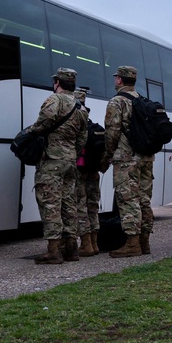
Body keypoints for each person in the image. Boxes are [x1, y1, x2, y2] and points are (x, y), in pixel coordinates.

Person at [25, 68, 88, 264]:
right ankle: (71, 248)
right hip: (69, 161)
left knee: (49, 202)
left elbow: (44, 122)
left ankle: (53, 250)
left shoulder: (54, 100)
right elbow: (82, 138)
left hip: (52, 160)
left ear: (57, 83)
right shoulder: (80, 108)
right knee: (68, 203)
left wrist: (31, 132)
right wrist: (72, 153)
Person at [101, 66, 156, 257]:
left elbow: (112, 132)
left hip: (126, 158)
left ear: (119, 80)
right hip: (146, 157)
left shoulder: (117, 102)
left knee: (128, 200)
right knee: (144, 200)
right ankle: (144, 242)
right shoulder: (143, 100)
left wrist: (108, 155)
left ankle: (132, 243)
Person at [73, 87, 103, 257]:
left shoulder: (76, 123)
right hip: (94, 170)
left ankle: (85, 244)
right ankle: (94, 243)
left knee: (80, 205)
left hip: (80, 169)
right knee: (93, 206)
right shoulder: (91, 124)